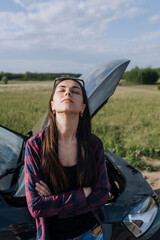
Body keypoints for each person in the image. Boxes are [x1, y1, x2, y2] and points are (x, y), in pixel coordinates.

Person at [25, 77, 109, 240]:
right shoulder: (35, 146)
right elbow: (36, 207)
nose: (68, 92)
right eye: (62, 90)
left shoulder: (94, 144)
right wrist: (82, 194)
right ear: (52, 105)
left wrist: (53, 200)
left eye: (75, 91)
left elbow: (102, 194)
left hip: (92, 233)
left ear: (83, 107)